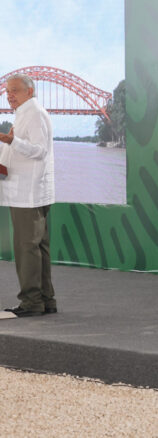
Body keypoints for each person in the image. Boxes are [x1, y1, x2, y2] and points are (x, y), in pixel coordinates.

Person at [0, 74, 56, 317]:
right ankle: (45, 300)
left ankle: (31, 302)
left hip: (28, 193)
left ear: (29, 92)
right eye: (7, 91)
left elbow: (39, 151)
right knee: (37, 247)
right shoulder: (25, 113)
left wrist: (13, 141)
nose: (9, 95)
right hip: (29, 191)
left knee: (27, 248)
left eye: (14, 90)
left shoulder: (33, 114)